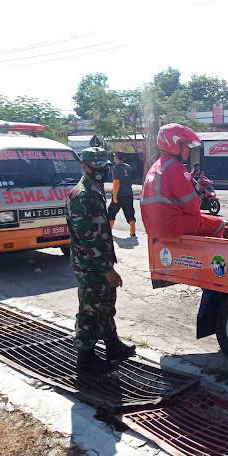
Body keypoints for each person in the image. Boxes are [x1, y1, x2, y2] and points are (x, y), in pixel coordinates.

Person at [67, 147, 136, 374]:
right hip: (90, 265)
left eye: (104, 167)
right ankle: (85, 357)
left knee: (106, 306)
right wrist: (107, 269)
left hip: (101, 262)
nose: (101, 171)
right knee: (90, 309)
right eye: (96, 168)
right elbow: (88, 239)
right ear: (84, 167)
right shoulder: (81, 195)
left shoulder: (95, 190)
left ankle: (112, 346)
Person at [140, 124, 225, 238]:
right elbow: (192, 207)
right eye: (185, 145)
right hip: (171, 225)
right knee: (219, 224)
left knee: (204, 218)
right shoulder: (174, 167)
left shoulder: (156, 167)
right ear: (173, 144)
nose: (188, 150)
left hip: (155, 226)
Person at [108, 153, 137, 237]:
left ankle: (109, 231)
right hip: (128, 194)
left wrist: (114, 195)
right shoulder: (128, 167)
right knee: (130, 212)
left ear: (117, 158)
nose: (114, 158)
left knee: (111, 212)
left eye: (115, 157)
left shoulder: (116, 167)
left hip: (119, 194)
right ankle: (133, 231)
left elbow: (116, 182)